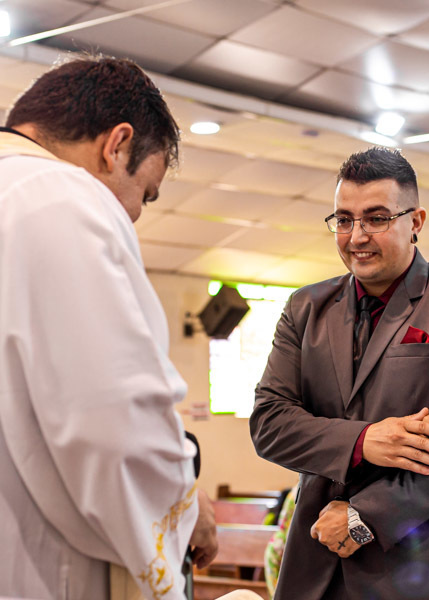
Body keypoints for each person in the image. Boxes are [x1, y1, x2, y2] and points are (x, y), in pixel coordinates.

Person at [0, 56, 223, 600]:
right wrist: (185, 508)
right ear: (116, 145)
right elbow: (113, 419)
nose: (136, 216)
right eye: (145, 193)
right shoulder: (62, 199)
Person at [250, 147, 429, 599]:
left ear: (417, 222)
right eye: (344, 219)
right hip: (319, 563)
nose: (356, 236)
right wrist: (365, 441)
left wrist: (364, 514)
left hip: (428, 563)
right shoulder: (305, 308)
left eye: (376, 218)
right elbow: (269, 424)